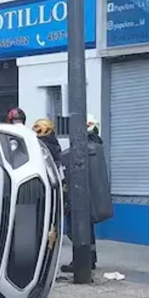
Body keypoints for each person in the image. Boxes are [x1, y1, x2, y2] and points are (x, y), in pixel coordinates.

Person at [60, 114, 113, 273]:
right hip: (91, 198)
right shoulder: (97, 147)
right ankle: (90, 258)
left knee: (77, 229)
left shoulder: (83, 150)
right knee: (88, 230)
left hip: (80, 198)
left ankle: (81, 261)